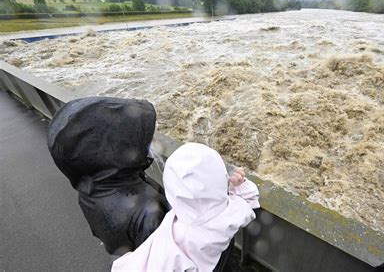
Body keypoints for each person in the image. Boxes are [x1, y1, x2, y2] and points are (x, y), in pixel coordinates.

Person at [47, 97, 170, 256]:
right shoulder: (149, 213)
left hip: (125, 251)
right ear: (117, 149)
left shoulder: (92, 187)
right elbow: (165, 258)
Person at [111, 142, 260, 271]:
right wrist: (240, 184)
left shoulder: (175, 238)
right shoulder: (229, 213)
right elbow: (250, 199)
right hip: (219, 258)